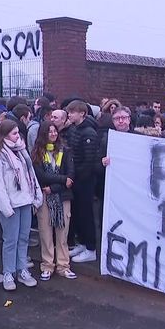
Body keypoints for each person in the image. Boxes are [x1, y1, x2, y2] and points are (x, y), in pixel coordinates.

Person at [0, 120, 42, 291]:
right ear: (4, 135)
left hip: (25, 201)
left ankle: (22, 269)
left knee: (23, 238)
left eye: (18, 133)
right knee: (10, 240)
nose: (18, 136)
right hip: (10, 204)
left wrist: (36, 196)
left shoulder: (21, 151)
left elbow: (30, 174)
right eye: (14, 133)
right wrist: (5, 207)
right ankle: (9, 272)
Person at [31, 121, 77, 281]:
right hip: (44, 199)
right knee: (45, 233)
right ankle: (47, 265)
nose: (53, 134)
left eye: (55, 131)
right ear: (43, 134)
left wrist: (54, 188)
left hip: (62, 197)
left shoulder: (66, 151)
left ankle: (63, 266)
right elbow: (41, 176)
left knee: (62, 234)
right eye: (49, 131)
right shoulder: (37, 153)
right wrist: (63, 180)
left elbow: (71, 175)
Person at [65, 100, 99, 263]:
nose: (69, 114)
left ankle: (91, 248)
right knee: (77, 213)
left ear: (82, 114)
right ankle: (83, 243)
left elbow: (89, 161)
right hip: (74, 179)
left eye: (72, 112)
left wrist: (76, 178)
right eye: (69, 112)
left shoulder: (89, 133)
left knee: (86, 214)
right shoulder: (72, 129)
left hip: (84, 182)